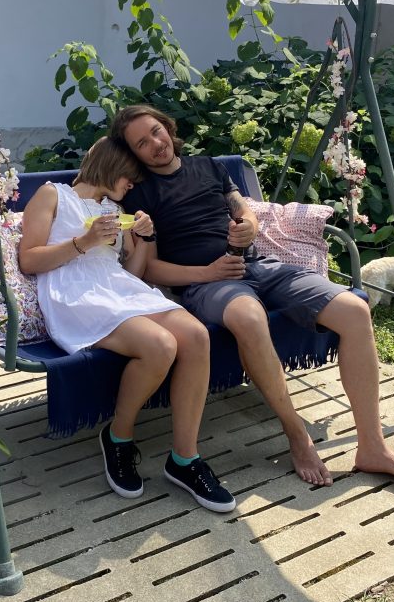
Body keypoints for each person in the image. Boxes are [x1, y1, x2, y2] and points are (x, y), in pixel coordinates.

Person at [110, 104, 394, 489]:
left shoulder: (209, 166)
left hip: (258, 265)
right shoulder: (140, 194)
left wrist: (248, 225)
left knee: (354, 309)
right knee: (249, 317)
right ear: (134, 154)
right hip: (206, 284)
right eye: (141, 143)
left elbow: (243, 210)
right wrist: (207, 273)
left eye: (155, 131)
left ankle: (372, 447)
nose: (155, 144)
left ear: (167, 127)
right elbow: (148, 268)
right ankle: (297, 435)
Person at [18, 137, 236, 512]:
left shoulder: (114, 210)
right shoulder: (53, 195)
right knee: (160, 345)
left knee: (196, 336)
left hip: (118, 288)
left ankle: (184, 458)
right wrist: (84, 241)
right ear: (112, 165)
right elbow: (29, 260)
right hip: (74, 294)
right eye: (130, 176)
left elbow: (132, 273)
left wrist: (145, 239)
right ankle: (119, 436)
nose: (132, 185)